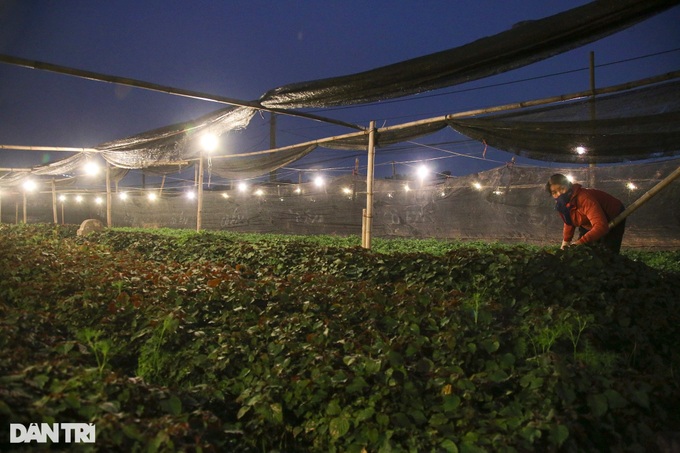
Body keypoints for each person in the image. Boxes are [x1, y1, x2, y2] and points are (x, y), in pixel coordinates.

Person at [546, 174, 626, 253]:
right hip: (587, 221)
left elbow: (601, 226)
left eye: (562, 188)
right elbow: (569, 221)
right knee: (584, 252)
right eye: (554, 192)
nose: (559, 194)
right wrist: (566, 242)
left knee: (608, 252)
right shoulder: (563, 204)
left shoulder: (584, 198)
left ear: (569, 185)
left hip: (613, 216)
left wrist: (580, 243)